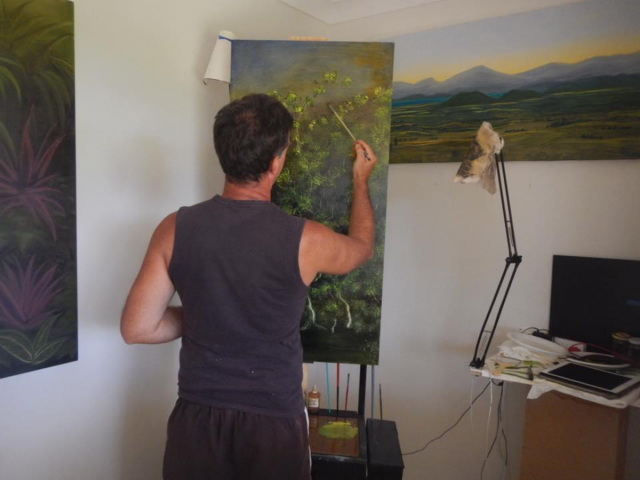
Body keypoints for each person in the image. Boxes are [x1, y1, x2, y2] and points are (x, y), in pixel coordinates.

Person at [120, 93, 377, 480]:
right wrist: (360, 180)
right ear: (276, 162)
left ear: (222, 153)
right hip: (273, 426)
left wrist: (212, 313)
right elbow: (361, 248)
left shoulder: (174, 228)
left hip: (196, 423)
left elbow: (138, 327)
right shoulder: (307, 240)